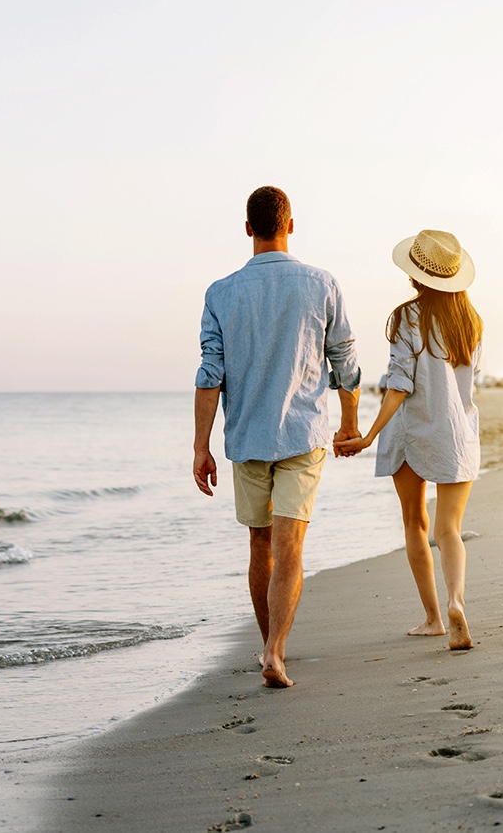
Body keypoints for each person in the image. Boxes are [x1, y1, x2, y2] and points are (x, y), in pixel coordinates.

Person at [193, 185, 362, 688]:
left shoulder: (220, 293)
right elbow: (345, 362)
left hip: (246, 437)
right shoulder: (321, 283)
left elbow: (209, 374)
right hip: (302, 435)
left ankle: (268, 648)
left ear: (248, 229)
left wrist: (201, 446)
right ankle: (276, 651)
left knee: (259, 545)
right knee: (290, 547)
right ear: (290, 226)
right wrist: (350, 422)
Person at [335, 230, 482, 651]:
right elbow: (468, 384)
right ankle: (456, 601)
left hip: (409, 431)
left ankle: (434, 619)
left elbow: (399, 385)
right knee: (449, 529)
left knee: (415, 523)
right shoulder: (472, 322)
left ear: (417, 275)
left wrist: (367, 436)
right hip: (455, 432)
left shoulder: (407, 317)